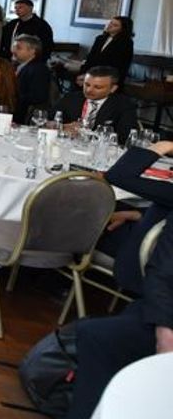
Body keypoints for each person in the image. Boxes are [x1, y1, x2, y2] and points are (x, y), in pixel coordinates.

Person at [66, 140, 173, 419]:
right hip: (155, 291)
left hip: (147, 282)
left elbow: (120, 175)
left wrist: (162, 145)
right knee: (96, 333)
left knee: (95, 336)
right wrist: (138, 214)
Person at [56, 66, 138, 143]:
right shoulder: (71, 98)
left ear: (113, 88)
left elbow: (125, 137)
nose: (89, 90)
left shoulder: (124, 106)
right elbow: (50, 119)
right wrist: (63, 127)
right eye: (87, 85)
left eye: (97, 87)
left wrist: (91, 136)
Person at [79, 16, 135, 86]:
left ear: (122, 29)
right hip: (92, 72)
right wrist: (83, 73)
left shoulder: (126, 43)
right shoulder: (100, 38)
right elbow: (90, 57)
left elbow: (118, 64)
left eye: (115, 25)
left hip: (107, 76)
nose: (110, 26)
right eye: (110, 23)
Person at [12, 34, 52, 124]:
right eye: (14, 47)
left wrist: (13, 96)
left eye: (18, 48)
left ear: (32, 51)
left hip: (25, 116)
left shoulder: (39, 69)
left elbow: (38, 96)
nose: (13, 51)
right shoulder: (21, 66)